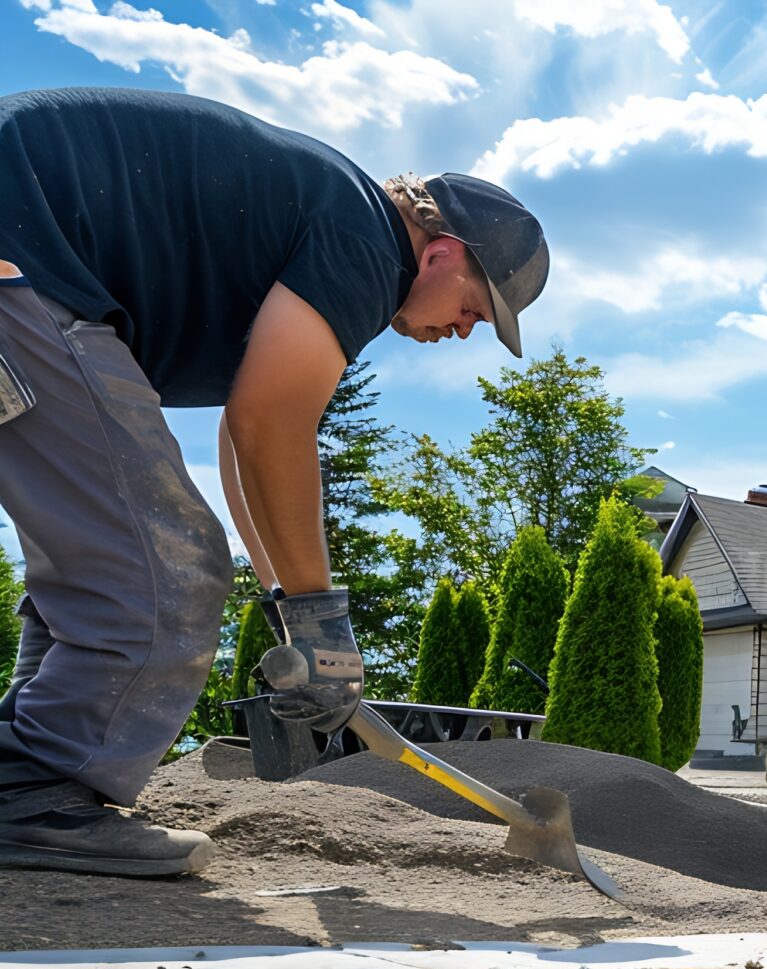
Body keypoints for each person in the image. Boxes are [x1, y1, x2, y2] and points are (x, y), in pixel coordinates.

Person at [0, 87, 547, 876]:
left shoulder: (325, 211)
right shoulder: (366, 241)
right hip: (25, 269)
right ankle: (30, 793)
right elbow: (271, 426)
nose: (463, 332)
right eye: (474, 308)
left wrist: (288, 603)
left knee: (106, 555)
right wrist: (325, 623)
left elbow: (240, 431)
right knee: (169, 566)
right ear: (441, 252)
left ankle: (29, 777)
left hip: (31, 265)